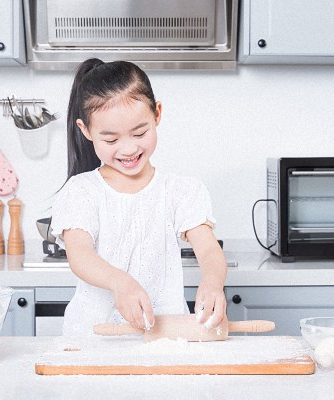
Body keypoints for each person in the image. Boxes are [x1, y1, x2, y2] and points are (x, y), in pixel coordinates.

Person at [50, 58, 227, 336]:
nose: (129, 148)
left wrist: (213, 283)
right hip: (93, 337)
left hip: (165, 337)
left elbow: (208, 249)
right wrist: (121, 283)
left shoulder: (181, 190)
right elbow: (80, 255)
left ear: (157, 114)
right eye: (111, 140)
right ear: (86, 131)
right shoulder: (82, 191)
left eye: (140, 132)